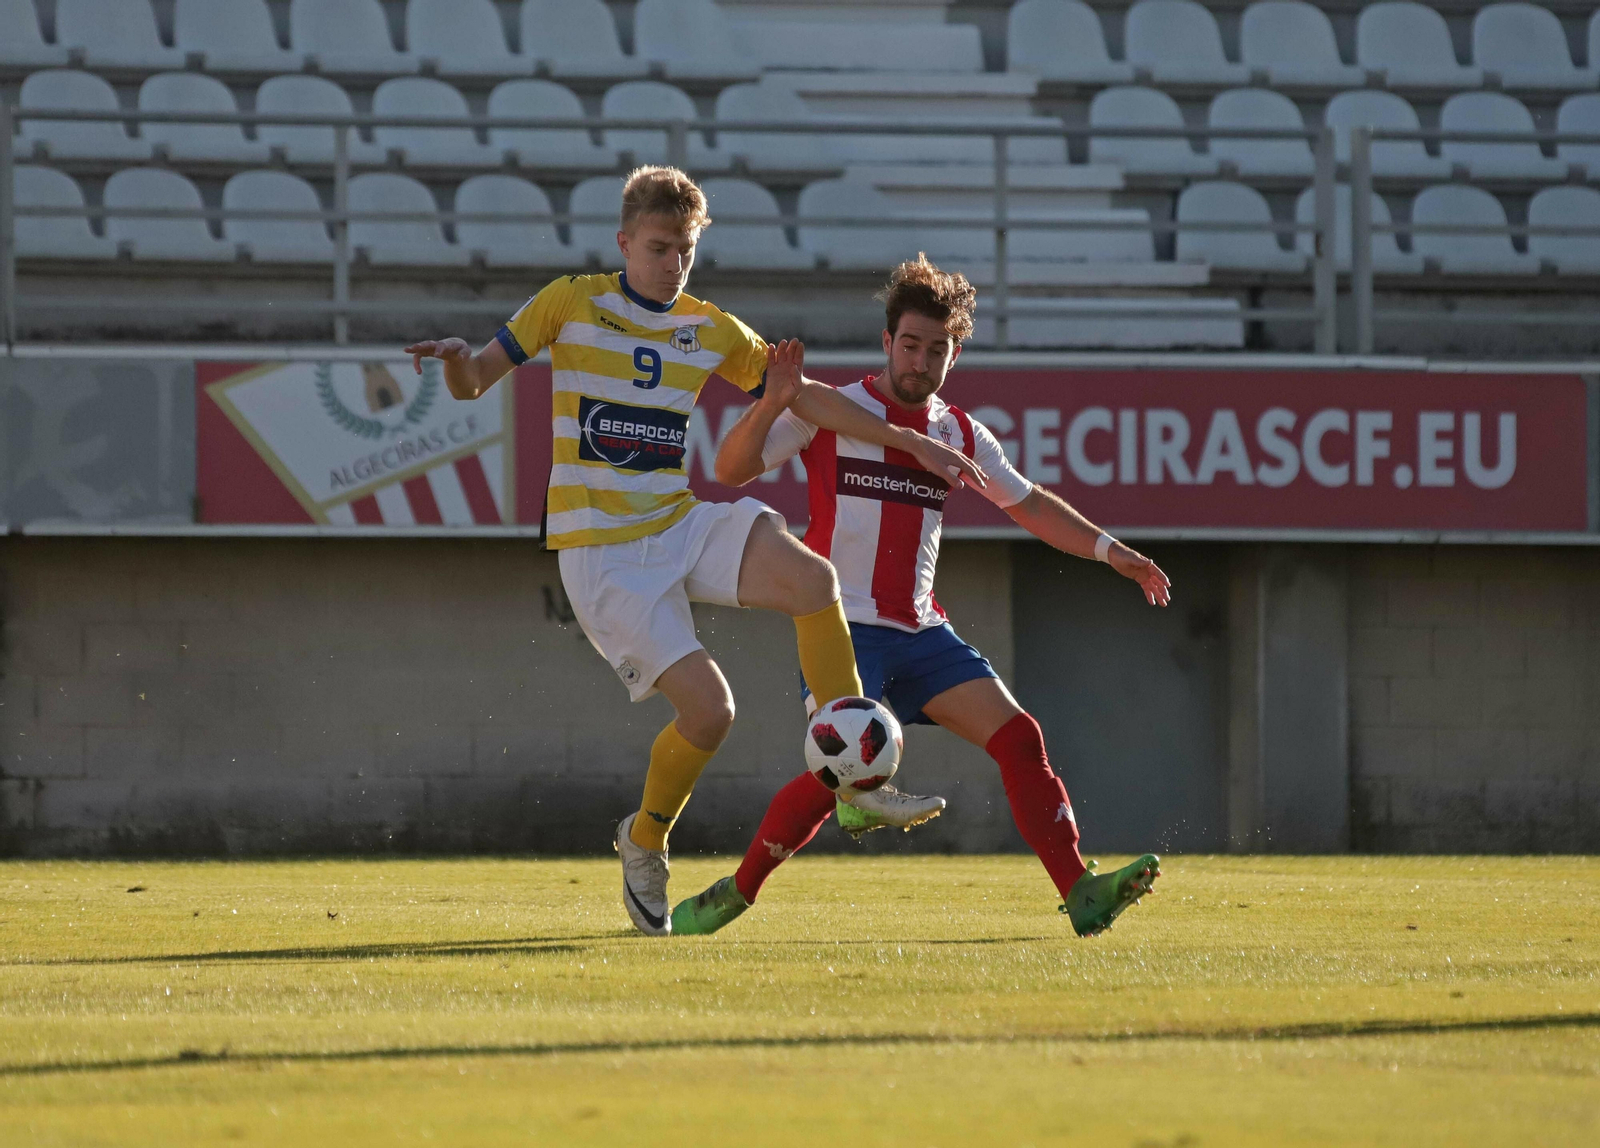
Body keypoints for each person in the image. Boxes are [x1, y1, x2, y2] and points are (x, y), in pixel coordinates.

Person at [403, 168, 983, 937]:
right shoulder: (570, 303)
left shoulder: (708, 327)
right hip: (602, 551)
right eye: (657, 247)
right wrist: (452, 359)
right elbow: (476, 380)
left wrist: (909, 438)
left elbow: (803, 395)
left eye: (685, 249)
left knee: (814, 580)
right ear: (624, 243)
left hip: (675, 521)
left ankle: (852, 779)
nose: (672, 262)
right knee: (711, 715)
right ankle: (644, 837)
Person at [672, 254, 1171, 938]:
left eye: (937, 349)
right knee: (838, 771)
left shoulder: (961, 433)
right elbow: (729, 469)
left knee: (1021, 739)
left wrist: (1114, 552)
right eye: (909, 344)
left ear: (955, 353)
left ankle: (1080, 890)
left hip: (923, 633)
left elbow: (1029, 505)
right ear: (886, 341)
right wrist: (773, 402)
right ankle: (737, 891)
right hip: (844, 629)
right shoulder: (833, 410)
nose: (920, 360)